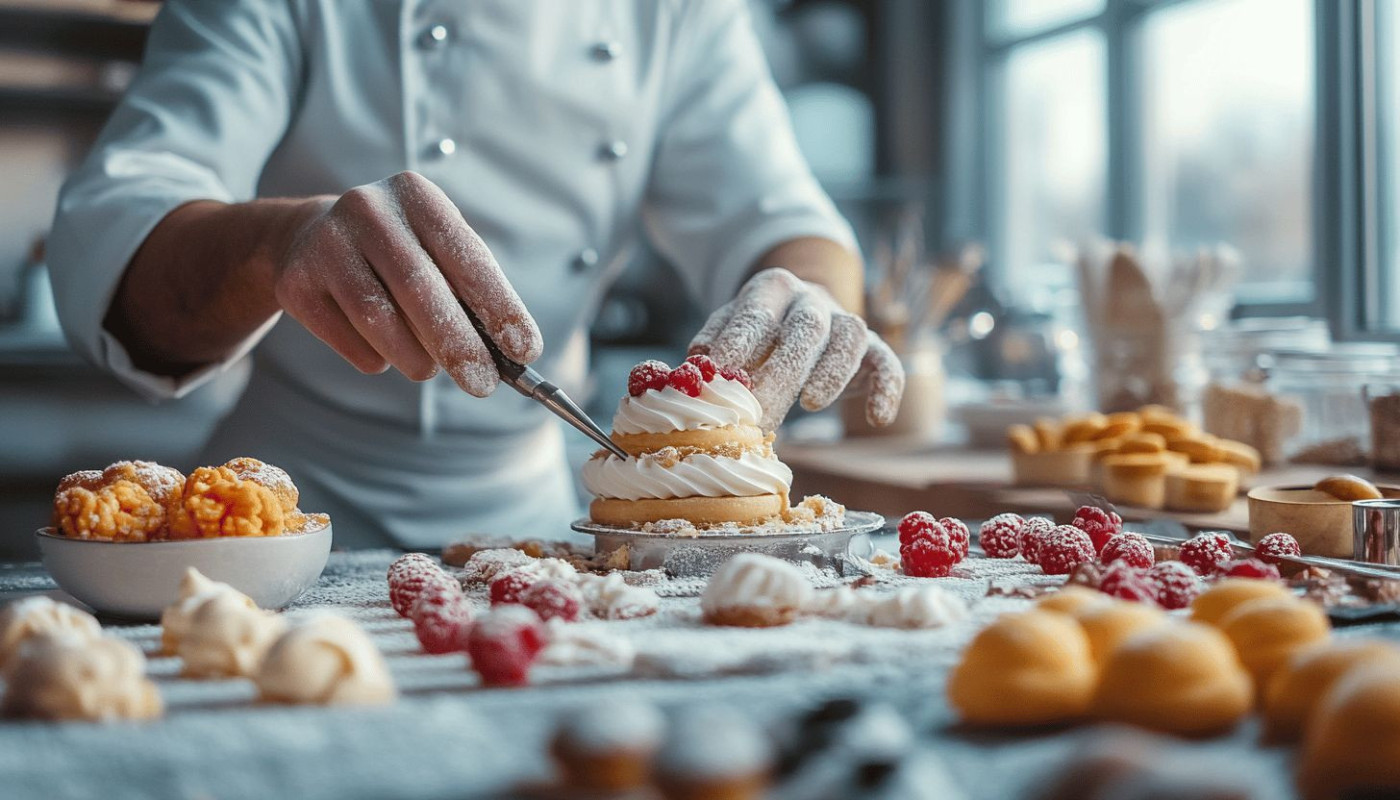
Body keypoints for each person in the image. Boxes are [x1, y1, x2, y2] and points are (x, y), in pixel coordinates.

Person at [47, 0, 904, 548]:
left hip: (543, 520)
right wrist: (279, 242)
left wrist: (805, 291)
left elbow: (786, 221)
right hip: (279, 517)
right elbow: (117, 235)